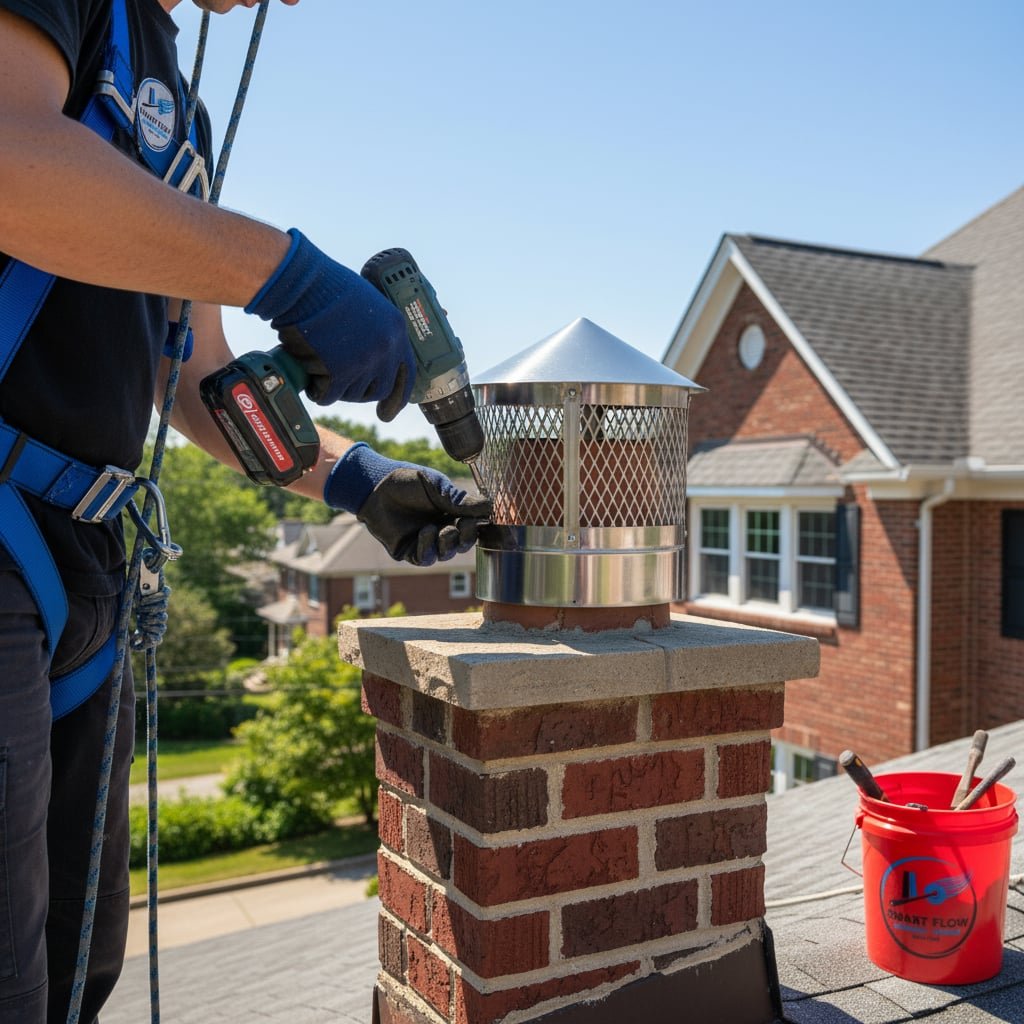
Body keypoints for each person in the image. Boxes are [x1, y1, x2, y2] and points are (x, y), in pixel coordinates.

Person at [0, 1, 491, 1021]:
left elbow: (198, 379)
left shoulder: (176, 104)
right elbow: (12, 162)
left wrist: (360, 478)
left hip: (84, 556)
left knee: (72, 976)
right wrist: (289, 272)